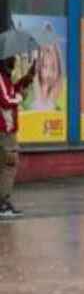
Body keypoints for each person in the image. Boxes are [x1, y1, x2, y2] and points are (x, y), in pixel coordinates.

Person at [0, 57, 36, 218]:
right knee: (9, 166)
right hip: (5, 131)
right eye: (11, 59)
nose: (14, 61)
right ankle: (3, 204)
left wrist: (25, 80)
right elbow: (6, 100)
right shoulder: (1, 77)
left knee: (5, 166)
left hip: (8, 129)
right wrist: (20, 98)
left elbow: (11, 91)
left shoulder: (5, 77)